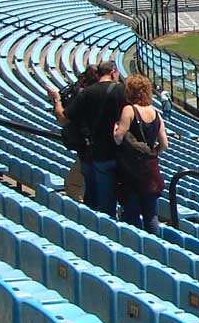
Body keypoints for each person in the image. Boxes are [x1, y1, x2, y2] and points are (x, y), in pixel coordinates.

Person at [57, 60, 124, 218]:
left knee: (92, 199)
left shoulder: (86, 93)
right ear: (113, 72)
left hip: (90, 151)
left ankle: (93, 225)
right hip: (114, 152)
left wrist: (56, 101)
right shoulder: (122, 91)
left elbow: (64, 119)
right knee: (110, 201)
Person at [113, 74, 168, 234]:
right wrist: (152, 153)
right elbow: (164, 144)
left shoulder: (129, 110)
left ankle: (134, 247)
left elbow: (118, 138)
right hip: (150, 170)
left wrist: (115, 129)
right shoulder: (155, 113)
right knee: (150, 215)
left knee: (131, 213)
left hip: (131, 170)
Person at [48, 64, 99, 202]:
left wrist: (57, 100)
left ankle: (84, 215)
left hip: (90, 148)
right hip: (97, 147)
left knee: (74, 185)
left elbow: (63, 118)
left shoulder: (84, 96)